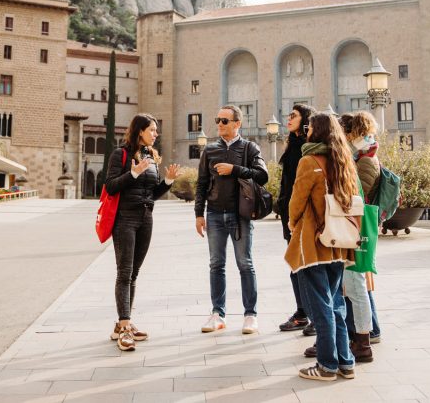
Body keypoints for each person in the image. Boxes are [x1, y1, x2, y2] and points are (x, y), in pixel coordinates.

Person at [285, 111, 358, 381]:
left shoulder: (309, 161)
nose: (306, 131)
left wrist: (292, 223)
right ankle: (345, 362)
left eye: (309, 127)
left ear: (316, 131)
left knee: (320, 307)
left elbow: (297, 201)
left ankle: (327, 365)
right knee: (336, 302)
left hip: (315, 243)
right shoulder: (343, 160)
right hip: (339, 242)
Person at [105, 113, 182, 351]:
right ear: (140, 131)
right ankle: (125, 326)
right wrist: (134, 173)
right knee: (124, 272)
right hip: (125, 219)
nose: (156, 134)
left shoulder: (151, 157)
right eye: (152, 129)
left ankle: (122, 324)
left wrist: (167, 182)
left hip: (146, 218)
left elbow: (152, 193)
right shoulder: (121, 154)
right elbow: (111, 185)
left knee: (134, 272)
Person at [194, 104, 269, 335]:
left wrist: (234, 169)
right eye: (218, 120)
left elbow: (263, 176)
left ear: (237, 124)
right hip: (214, 214)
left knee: (245, 264)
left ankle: (250, 315)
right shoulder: (209, 150)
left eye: (224, 121)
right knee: (216, 264)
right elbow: (202, 183)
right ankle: (217, 313)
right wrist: (199, 213)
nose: (219, 124)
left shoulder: (249, 147)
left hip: (241, 215)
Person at [341, 110, 383, 345]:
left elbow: (360, 191)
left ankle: (370, 330)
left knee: (359, 281)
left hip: (360, 223)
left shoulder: (365, 158)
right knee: (360, 281)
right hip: (359, 222)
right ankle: (370, 329)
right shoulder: (365, 154)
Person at [277, 103, 316, 333]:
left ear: (305, 120)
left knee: (305, 264)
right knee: (295, 263)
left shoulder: (306, 147)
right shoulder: (292, 144)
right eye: (288, 115)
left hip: (301, 214)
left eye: (294, 116)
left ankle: (311, 315)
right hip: (289, 213)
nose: (288, 119)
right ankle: (302, 313)